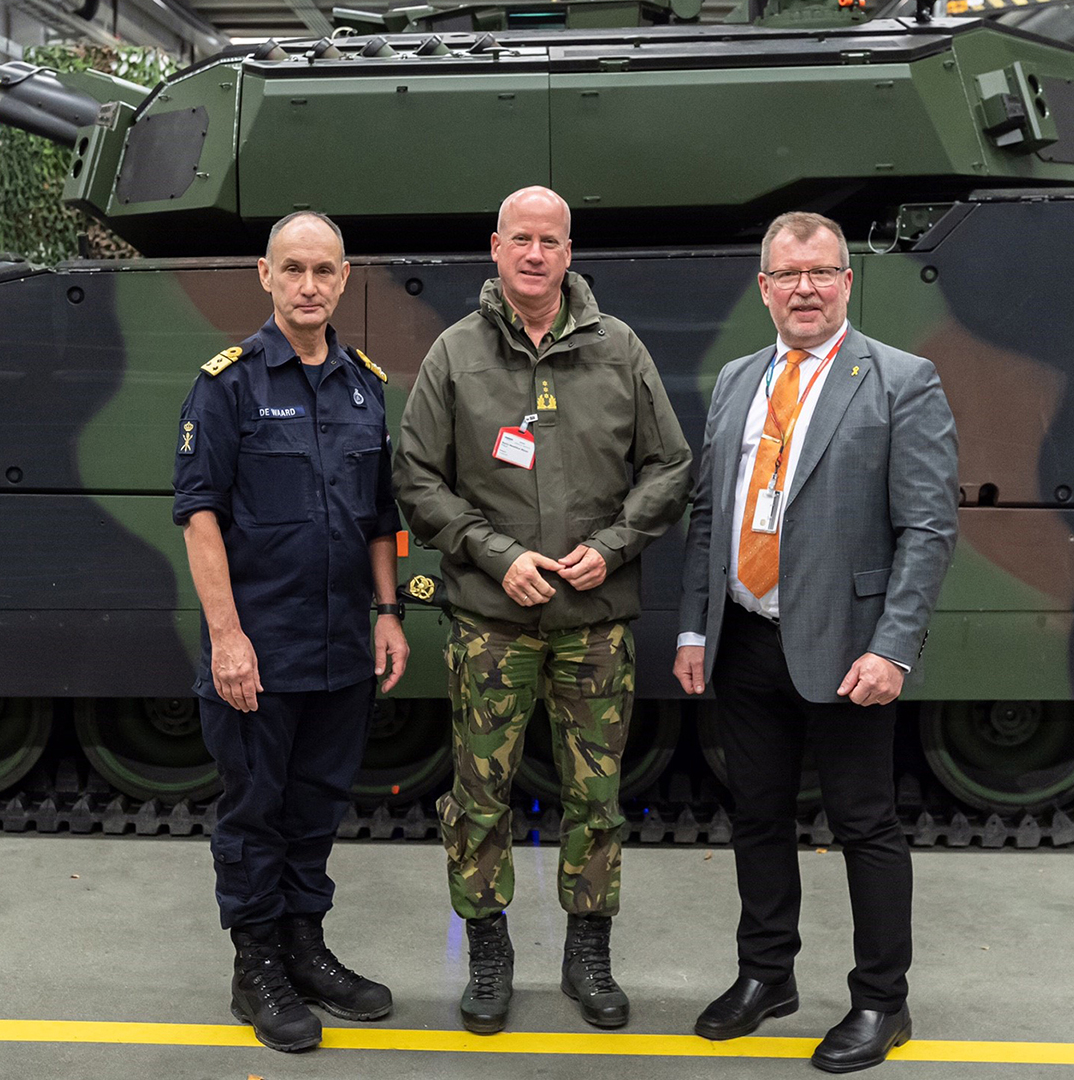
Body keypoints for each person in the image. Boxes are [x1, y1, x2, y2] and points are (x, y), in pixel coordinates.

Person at [395, 185, 692, 1035]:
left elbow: (669, 467)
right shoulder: (455, 355)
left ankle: (587, 950)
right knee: (478, 796)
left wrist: (613, 546)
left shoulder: (619, 349)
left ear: (570, 252)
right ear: (496, 247)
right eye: (520, 239)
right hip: (491, 623)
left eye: (550, 241)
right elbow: (416, 479)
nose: (535, 254)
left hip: (595, 625)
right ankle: (487, 949)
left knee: (595, 798)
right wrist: (498, 555)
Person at [673, 212, 958, 1073]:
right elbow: (708, 513)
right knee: (757, 816)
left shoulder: (902, 380)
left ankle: (882, 1002)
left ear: (845, 282)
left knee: (865, 824)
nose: (805, 288)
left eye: (822, 273)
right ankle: (767, 976)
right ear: (764, 287)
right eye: (787, 274)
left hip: (848, 648)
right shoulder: (735, 381)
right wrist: (695, 624)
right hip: (746, 639)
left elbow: (929, 528)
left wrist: (893, 648)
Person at [172, 210, 408, 1054]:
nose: (310, 285)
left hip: (342, 645)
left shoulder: (364, 384)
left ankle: (306, 948)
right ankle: (256, 966)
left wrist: (388, 614)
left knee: (315, 810)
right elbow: (200, 518)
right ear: (264, 276)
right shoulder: (227, 385)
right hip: (258, 650)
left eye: (325, 270)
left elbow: (382, 517)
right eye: (293, 269)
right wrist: (228, 637)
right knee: (253, 812)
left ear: (345, 279)